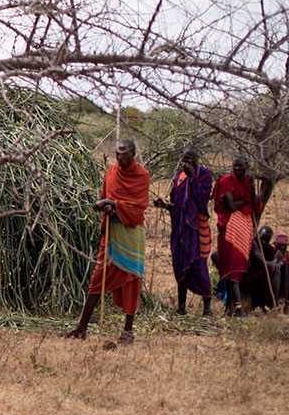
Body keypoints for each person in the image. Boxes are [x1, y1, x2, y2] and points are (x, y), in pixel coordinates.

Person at [65, 139, 150, 344]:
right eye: (117, 153)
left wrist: (111, 203)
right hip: (112, 232)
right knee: (97, 279)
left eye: (124, 154)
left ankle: (128, 330)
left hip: (131, 234)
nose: (120, 157)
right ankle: (81, 327)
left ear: (133, 154)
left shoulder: (142, 176)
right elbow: (105, 197)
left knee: (132, 278)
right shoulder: (111, 172)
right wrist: (107, 207)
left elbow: (138, 207)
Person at [154, 144, 214, 315]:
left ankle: (207, 308)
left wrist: (193, 178)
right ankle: (181, 307)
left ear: (196, 159)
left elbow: (202, 201)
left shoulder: (203, 174)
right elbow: (178, 205)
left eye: (190, 158)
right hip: (180, 230)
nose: (186, 161)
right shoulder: (178, 177)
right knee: (180, 266)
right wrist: (164, 205)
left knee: (199, 266)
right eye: (184, 158)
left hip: (196, 228)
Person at [213, 156, 267, 317]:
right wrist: (245, 200)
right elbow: (231, 205)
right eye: (235, 165)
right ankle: (230, 310)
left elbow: (257, 204)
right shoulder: (226, 181)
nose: (238, 168)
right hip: (229, 227)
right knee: (229, 270)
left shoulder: (247, 184)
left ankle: (239, 310)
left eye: (241, 166)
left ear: (247, 167)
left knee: (234, 269)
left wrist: (250, 190)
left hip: (241, 231)